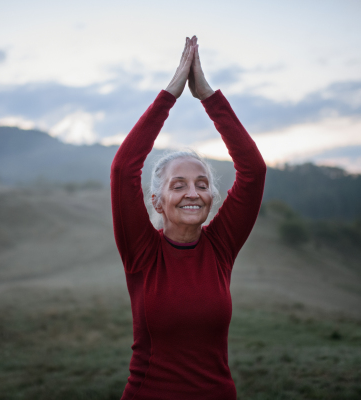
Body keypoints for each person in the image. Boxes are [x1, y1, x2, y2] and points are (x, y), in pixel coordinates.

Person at [110, 36, 267, 400]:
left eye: (201, 184)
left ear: (212, 197)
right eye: (178, 185)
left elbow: (253, 171)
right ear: (158, 201)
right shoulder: (142, 252)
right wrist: (171, 94)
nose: (192, 193)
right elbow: (123, 169)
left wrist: (208, 96)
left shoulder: (221, 246)